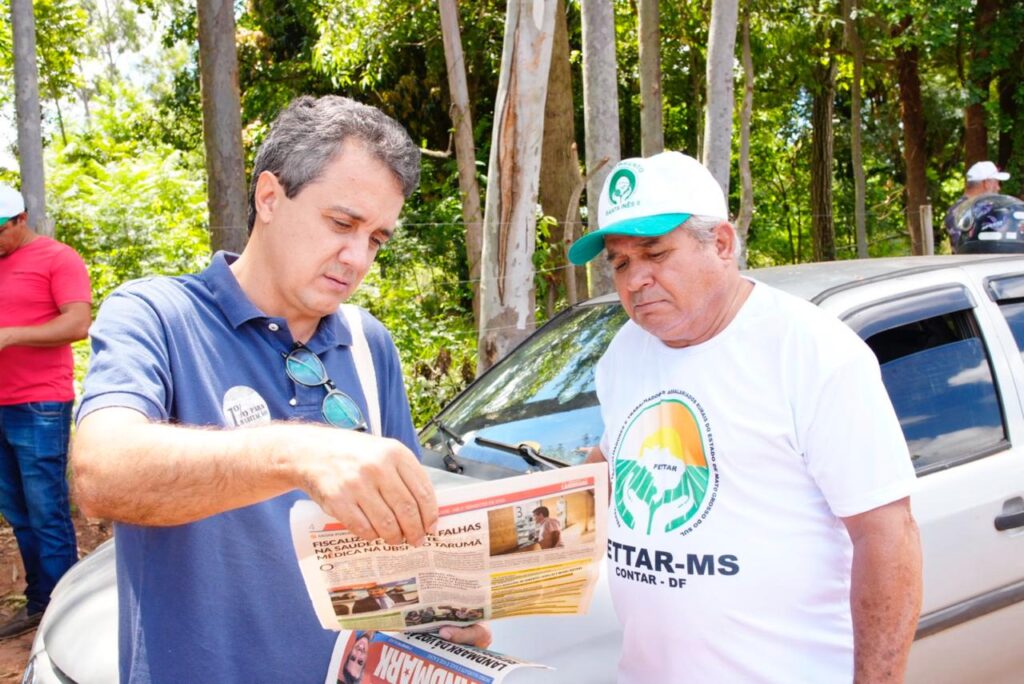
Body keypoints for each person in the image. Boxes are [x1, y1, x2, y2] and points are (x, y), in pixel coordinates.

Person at [71, 96, 489, 682]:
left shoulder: (369, 347)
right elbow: (101, 474)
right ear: (269, 197)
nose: (356, 256)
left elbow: (403, 549)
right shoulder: (156, 316)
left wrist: (441, 622)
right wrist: (299, 453)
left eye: (376, 239)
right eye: (342, 223)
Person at [568, 151, 922, 683]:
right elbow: (611, 466)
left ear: (723, 244)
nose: (635, 279)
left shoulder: (811, 351)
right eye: (619, 263)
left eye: (656, 253)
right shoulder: (626, 351)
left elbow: (887, 536)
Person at [0, 185, 91, 639]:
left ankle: (65, 612)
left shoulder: (58, 258)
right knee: (17, 511)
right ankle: (41, 601)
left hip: (38, 403)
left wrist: (11, 336)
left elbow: (78, 322)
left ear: (20, 219)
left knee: (46, 510)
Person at [945, 160, 1010, 249]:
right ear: (986, 183)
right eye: (997, 183)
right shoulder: (960, 212)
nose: (998, 188)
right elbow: (964, 249)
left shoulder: (985, 208)